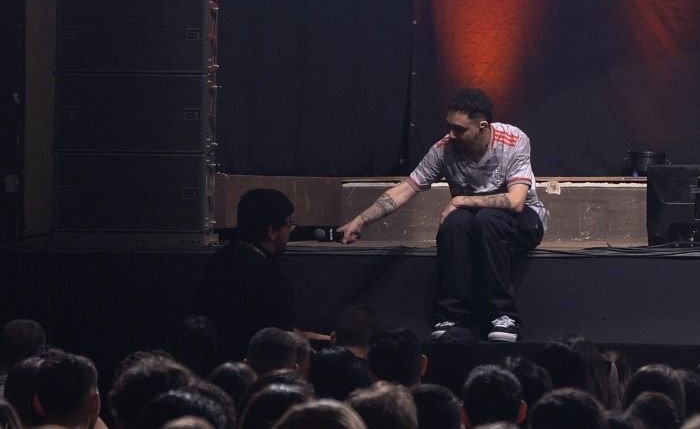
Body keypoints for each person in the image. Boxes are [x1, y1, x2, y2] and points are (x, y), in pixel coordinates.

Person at [339, 88, 548, 342]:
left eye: (459, 129)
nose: (451, 134)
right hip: (473, 223)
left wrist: (461, 200)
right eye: (449, 127)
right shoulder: (444, 149)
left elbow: (515, 201)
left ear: (482, 127)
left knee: (486, 220)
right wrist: (361, 219)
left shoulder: (513, 141)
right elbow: (406, 188)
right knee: (455, 222)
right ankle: (452, 316)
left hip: (523, 221)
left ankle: (503, 315)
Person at [198, 188, 327, 362]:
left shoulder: (219, 260)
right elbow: (278, 341)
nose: (291, 230)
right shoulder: (271, 281)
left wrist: (304, 335)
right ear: (272, 231)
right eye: (288, 224)